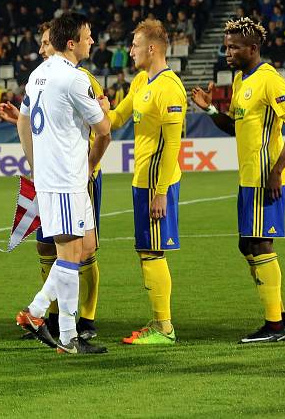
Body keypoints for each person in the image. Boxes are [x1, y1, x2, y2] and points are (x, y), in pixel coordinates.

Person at [191, 18, 285, 343]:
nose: (228, 53)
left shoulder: (270, 80)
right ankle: (277, 315)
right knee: (247, 244)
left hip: (264, 177)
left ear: (253, 48)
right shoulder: (241, 79)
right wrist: (211, 110)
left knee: (259, 243)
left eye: (234, 47)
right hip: (247, 177)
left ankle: (275, 326)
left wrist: (277, 169)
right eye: (226, 46)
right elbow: (235, 126)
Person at [0, 20, 108, 340]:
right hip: (66, 179)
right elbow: (104, 131)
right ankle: (65, 333)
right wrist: (90, 164)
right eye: (87, 37)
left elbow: (23, 121)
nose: (92, 41)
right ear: (71, 44)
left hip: (58, 177)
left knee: (85, 247)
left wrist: (35, 163)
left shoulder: (38, 74)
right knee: (69, 257)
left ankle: (39, 313)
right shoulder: (74, 79)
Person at [106, 19, 187, 345]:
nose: (131, 50)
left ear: (152, 48)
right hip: (142, 180)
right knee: (146, 251)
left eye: (136, 45)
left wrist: (161, 193)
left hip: (157, 183)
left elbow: (173, 146)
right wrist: (93, 110)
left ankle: (164, 328)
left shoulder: (170, 87)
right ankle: (158, 323)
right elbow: (117, 117)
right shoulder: (141, 81)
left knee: (153, 253)